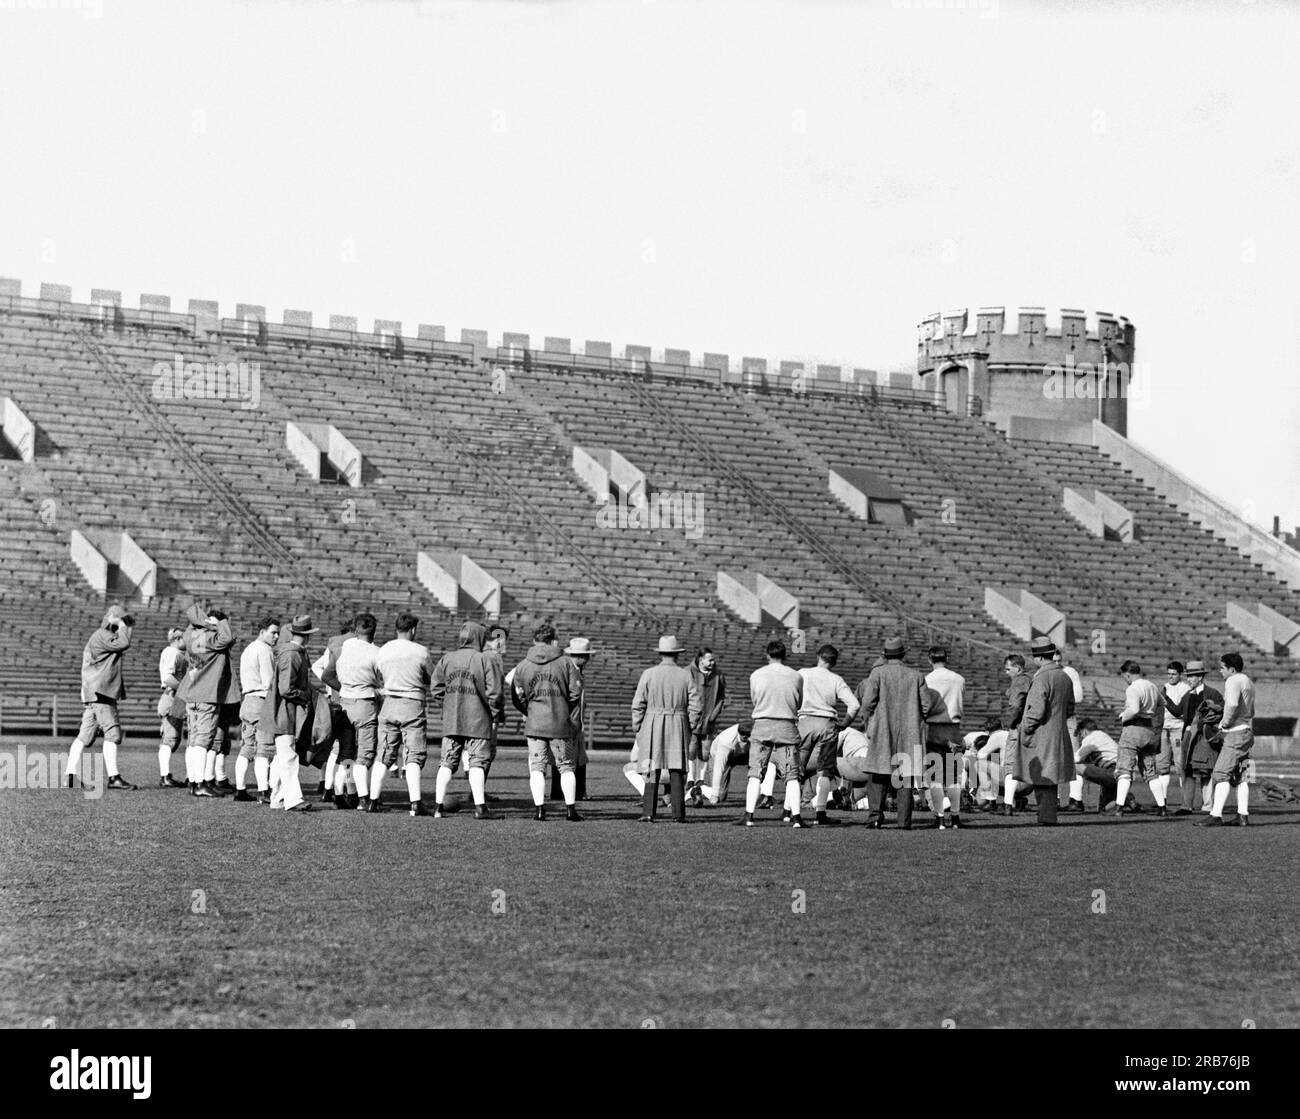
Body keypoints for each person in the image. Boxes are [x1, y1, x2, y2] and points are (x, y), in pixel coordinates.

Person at [512, 622, 585, 821]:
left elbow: (517, 695)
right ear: (553, 640)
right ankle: (570, 810)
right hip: (560, 723)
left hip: (535, 723)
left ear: (535, 640)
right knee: (567, 766)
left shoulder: (523, 664)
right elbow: (575, 693)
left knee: (537, 767)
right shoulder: (566, 663)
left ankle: (539, 810)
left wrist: (529, 708)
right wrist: (565, 711)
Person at [854, 637, 929, 829]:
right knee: (905, 777)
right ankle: (904, 821)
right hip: (910, 731)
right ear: (903, 654)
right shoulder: (917, 675)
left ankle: (875, 817)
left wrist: (869, 721)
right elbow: (927, 705)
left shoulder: (878, 673)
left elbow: (867, 702)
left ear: (885, 655)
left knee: (878, 775)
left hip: (882, 728)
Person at [431, 620, 503, 820]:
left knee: (446, 762)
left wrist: (448, 705)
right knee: (477, 763)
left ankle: (437, 806)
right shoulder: (484, 659)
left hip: (452, 719)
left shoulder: (447, 658)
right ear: (479, 637)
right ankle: (480, 808)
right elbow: (495, 693)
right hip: (478, 720)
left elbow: (436, 688)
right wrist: (494, 713)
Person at [64, 605, 136, 791]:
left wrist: (123, 624)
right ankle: (114, 778)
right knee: (112, 733)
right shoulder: (102, 634)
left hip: (94, 692)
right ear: (111, 617)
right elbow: (123, 643)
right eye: (120, 618)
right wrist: (122, 624)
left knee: (84, 735)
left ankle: (70, 775)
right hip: (101, 692)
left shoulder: (100, 635)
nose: (124, 624)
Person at [631, 635, 702, 822]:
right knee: (677, 769)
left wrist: (638, 727)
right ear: (677, 654)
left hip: (652, 722)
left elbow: (638, 704)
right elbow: (696, 705)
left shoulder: (648, 674)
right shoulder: (686, 675)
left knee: (651, 768)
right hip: (677, 723)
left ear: (661, 653)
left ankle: (648, 812)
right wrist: (690, 725)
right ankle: (678, 813)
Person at [371, 612, 434, 817]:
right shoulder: (420, 651)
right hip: (412, 703)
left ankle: (373, 800)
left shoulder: (384, 650)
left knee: (384, 752)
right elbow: (432, 677)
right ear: (413, 629)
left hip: (389, 703)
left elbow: (379, 674)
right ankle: (415, 803)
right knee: (414, 754)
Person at [178, 603, 241, 798]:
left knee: (194, 739)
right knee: (203, 741)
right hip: (208, 694)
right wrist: (219, 622)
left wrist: (201, 623)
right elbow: (229, 637)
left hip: (192, 693)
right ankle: (199, 784)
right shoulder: (212, 637)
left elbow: (192, 629)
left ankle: (193, 782)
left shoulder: (190, 636)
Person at [1012, 636, 1076, 825]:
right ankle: (1046, 815)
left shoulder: (1041, 678)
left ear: (1038, 658)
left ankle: (1046, 816)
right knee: (1050, 777)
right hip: (1059, 732)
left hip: (1041, 734)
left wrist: (1025, 728)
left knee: (1042, 777)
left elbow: (1036, 710)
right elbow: (1071, 708)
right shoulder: (1064, 676)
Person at [741, 639, 804, 828]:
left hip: (763, 724)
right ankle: (797, 817)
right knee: (792, 774)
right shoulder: (796, 676)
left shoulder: (756, 675)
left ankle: (749, 815)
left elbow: (755, 699)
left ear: (767, 655)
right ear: (785, 655)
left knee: (755, 771)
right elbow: (799, 702)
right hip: (786, 725)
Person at [797, 643, 859, 826]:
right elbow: (854, 705)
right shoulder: (836, 679)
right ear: (835, 661)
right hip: (827, 724)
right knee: (824, 771)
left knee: (796, 769)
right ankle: (820, 813)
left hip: (805, 722)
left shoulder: (802, 673)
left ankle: (790, 811)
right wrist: (845, 724)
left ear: (818, 656)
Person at [262, 613, 318, 812]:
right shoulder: (293, 654)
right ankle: (293, 799)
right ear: (308, 635)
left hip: (285, 711)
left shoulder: (293, 652)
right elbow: (286, 688)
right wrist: (305, 696)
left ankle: (277, 799)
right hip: (285, 712)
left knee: (282, 757)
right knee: (288, 757)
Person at [1196, 652, 1254, 828]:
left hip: (1235, 732)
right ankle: (1242, 816)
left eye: (1222, 668)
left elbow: (1233, 704)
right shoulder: (1248, 681)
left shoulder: (1233, 680)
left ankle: (1216, 815)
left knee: (1220, 773)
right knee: (1241, 776)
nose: (1220, 671)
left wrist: (1223, 723)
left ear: (1232, 669)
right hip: (1247, 730)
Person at [336, 612, 384, 812]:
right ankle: (364, 798)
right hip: (365, 701)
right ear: (374, 631)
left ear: (356, 629)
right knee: (364, 755)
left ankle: (340, 793)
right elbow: (381, 678)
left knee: (346, 753)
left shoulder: (347, 645)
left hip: (344, 701)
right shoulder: (377, 652)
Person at [1166, 660, 1223, 815]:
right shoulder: (1188, 694)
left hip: (1204, 736)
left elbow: (1220, 712)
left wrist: (1205, 724)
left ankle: (1208, 805)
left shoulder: (1212, 693)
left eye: (1192, 676)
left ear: (1200, 677)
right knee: (1187, 769)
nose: (1189, 679)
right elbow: (1177, 711)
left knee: (1205, 769)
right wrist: (1165, 698)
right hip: (1188, 735)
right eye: (1188, 676)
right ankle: (1186, 806)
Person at [1113, 659, 1168, 816]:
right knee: (1150, 771)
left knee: (1124, 768)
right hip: (1149, 730)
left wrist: (1124, 717)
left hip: (1134, 729)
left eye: (1124, 676)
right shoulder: (1151, 685)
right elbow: (1162, 703)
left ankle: (1119, 807)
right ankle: (1162, 807)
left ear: (1128, 675)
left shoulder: (1133, 688)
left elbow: (1134, 709)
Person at [233, 615, 279, 802]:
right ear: (262, 632)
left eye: (277, 633)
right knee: (265, 748)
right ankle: (263, 791)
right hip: (261, 701)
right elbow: (269, 682)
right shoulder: (265, 650)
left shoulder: (248, 649)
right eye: (273, 632)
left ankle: (240, 789)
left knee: (247, 747)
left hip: (247, 701)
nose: (276, 637)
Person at [312, 617, 356, 803]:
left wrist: (330, 687)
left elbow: (318, 666)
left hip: (333, 700)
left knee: (334, 751)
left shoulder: (333, 644)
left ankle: (327, 788)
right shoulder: (356, 644)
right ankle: (347, 790)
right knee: (348, 751)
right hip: (350, 700)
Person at [923, 645, 965, 828]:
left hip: (933, 727)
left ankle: (940, 817)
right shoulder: (959, 679)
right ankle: (955, 817)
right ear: (946, 659)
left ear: (929, 659)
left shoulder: (926, 680)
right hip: (953, 728)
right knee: (953, 776)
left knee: (935, 776)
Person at [553, 636, 593, 801]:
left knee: (576, 757)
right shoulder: (569, 671)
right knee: (564, 757)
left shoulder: (575, 671)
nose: (588, 658)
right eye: (585, 655)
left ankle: (576, 791)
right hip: (569, 721)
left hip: (575, 721)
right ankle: (561, 791)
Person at [688, 649, 727, 797]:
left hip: (709, 720)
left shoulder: (719, 675)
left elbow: (722, 697)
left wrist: (714, 714)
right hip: (692, 719)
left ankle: (700, 780)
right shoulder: (689, 673)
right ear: (700, 660)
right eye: (709, 660)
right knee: (691, 749)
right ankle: (690, 779)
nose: (712, 662)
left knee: (705, 751)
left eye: (713, 660)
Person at [999, 654, 1034, 815]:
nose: (1006, 673)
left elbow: (1016, 704)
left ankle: (1007, 804)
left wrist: (1009, 722)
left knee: (1010, 764)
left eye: (1008, 669)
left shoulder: (1020, 680)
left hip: (1019, 726)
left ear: (1017, 668)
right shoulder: (1031, 679)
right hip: (1031, 727)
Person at [1063, 717, 1119, 812]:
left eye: (1080, 735)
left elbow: (1077, 758)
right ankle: (1124, 799)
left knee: (1074, 766)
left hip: (1112, 772)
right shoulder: (1104, 736)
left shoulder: (1090, 738)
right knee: (1104, 809)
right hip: (1121, 775)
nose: (1080, 739)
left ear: (1084, 731)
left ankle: (1076, 800)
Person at [156, 627, 188, 788]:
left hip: (175, 698)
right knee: (171, 738)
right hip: (172, 698)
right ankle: (164, 776)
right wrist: (185, 689)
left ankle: (166, 775)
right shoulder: (172, 652)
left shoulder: (175, 653)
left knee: (174, 739)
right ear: (177, 639)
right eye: (184, 638)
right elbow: (167, 678)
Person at [1160, 660, 1192, 812]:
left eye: (1173, 674)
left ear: (1180, 675)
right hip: (1163, 728)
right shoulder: (1164, 687)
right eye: (1169, 674)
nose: (1170, 677)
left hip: (1178, 729)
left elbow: (1180, 710)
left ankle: (1185, 801)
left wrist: (1165, 700)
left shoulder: (1185, 688)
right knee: (1162, 765)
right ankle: (1162, 800)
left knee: (1180, 765)